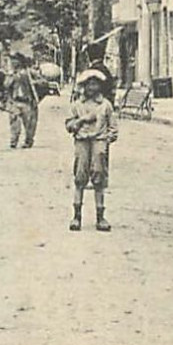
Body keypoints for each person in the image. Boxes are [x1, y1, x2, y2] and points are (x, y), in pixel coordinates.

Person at [65, 69, 119, 232]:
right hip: (82, 142)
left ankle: (100, 216)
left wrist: (106, 140)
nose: (91, 88)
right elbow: (69, 125)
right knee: (80, 177)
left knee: (99, 176)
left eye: (95, 84)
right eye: (89, 84)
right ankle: (77, 216)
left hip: (98, 141)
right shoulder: (77, 105)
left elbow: (113, 127)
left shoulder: (105, 105)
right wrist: (81, 121)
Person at [5, 53, 43, 150]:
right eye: (12, 60)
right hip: (15, 101)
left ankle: (28, 141)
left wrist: (35, 82)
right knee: (14, 122)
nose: (13, 62)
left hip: (27, 102)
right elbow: (6, 85)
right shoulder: (11, 74)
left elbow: (43, 81)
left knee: (29, 124)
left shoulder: (29, 73)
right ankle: (13, 141)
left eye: (15, 60)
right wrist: (11, 77)